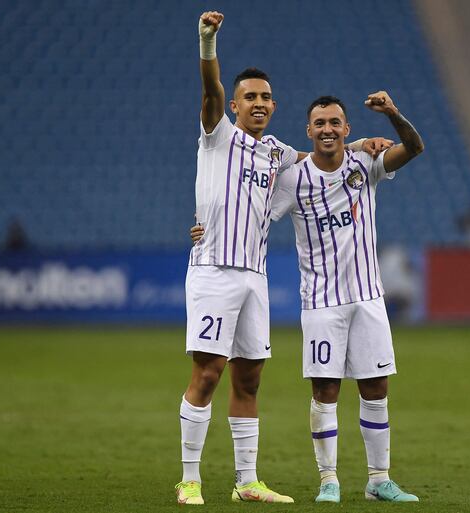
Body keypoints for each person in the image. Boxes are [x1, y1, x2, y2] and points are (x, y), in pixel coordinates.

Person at [176, 11, 391, 505]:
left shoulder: (276, 153)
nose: (258, 103)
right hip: (214, 271)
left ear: (274, 106)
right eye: (249, 96)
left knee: (249, 377)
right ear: (234, 105)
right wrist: (207, 41)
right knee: (208, 373)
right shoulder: (218, 135)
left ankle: (247, 481)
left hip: (256, 277)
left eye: (265, 97)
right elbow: (209, 93)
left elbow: (318, 153)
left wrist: (359, 142)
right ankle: (190, 480)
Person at [267, 93, 424, 503]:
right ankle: (329, 480)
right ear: (308, 131)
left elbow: (414, 148)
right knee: (326, 392)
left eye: (335, 123)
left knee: (376, 388)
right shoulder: (294, 180)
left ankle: (378, 480)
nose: (327, 130)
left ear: (347, 129)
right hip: (321, 303)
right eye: (319, 123)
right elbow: (258, 218)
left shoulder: (364, 165)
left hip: (369, 299)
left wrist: (393, 114)